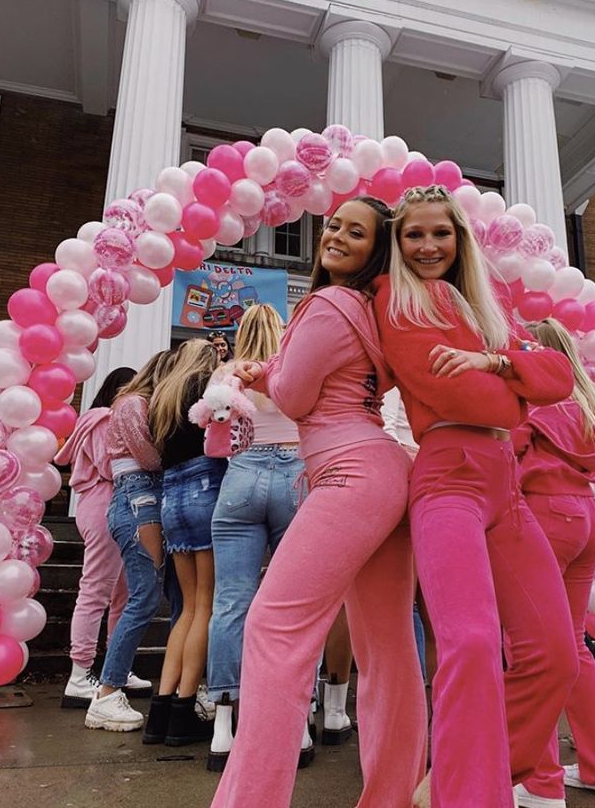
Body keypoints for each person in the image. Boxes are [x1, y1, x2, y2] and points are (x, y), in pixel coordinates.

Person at [212, 196, 427, 808]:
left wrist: (266, 375)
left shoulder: (328, 304)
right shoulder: (371, 311)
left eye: (355, 233)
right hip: (383, 468)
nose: (335, 236)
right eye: (334, 225)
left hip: (349, 472)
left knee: (274, 628)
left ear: (374, 251)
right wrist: (275, 370)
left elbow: (299, 397)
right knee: (385, 647)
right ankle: (392, 795)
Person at [372, 185, 578, 808]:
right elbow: (474, 400)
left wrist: (491, 361)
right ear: (398, 244)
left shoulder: (485, 307)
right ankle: (464, 794)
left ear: (459, 237)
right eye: (414, 234)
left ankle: (462, 775)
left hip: (505, 488)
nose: (428, 245)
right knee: (471, 642)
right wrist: (509, 372)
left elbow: (561, 379)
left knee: (556, 654)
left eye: (441, 232)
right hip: (447, 478)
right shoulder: (396, 299)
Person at [512, 318, 595, 806]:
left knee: (530, 650)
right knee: (574, 648)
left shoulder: (536, 399)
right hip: (585, 518)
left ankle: (540, 782)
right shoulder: (586, 403)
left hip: (543, 515)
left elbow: (510, 454)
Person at [206, 303, 307, 771]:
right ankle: (299, 721)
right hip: (294, 474)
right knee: (299, 605)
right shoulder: (292, 368)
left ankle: (223, 728)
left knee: (230, 603)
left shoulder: (227, 372)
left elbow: (212, 421)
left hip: (241, 476)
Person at [143, 339, 227, 747]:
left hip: (171, 496)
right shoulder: (206, 384)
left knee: (187, 609)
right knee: (206, 606)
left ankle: (160, 712)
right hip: (205, 486)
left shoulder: (163, 395)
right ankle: (184, 710)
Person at [84, 350, 174, 732]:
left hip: (138, 499)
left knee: (143, 596)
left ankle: (111, 685)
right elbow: (148, 457)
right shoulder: (133, 403)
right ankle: (107, 692)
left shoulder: (129, 403)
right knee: (143, 597)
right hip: (138, 499)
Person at [56, 366, 137, 709]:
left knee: (122, 593)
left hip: (111, 505)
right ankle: (80, 673)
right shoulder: (103, 419)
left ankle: (116, 668)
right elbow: (110, 465)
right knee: (96, 591)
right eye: (132, 390)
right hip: (105, 502)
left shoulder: (101, 418)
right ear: (117, 391)